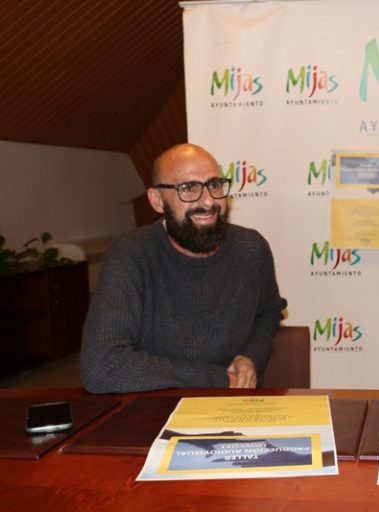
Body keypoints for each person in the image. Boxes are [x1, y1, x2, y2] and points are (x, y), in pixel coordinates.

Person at [80, 143, 287, 393]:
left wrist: (250, 356)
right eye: (188, 188)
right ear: (157, 200)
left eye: (214, 185)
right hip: (158, 404)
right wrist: (217, 379)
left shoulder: (251, 248)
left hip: (237, 402)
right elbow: (101, 367)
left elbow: (268, 312)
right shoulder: (130, 254)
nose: (208, 201)